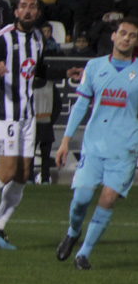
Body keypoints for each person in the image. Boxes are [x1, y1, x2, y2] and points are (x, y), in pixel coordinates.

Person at [0, 0, 83, 250]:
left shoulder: (38, 38)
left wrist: (65, 73)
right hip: (6, 113)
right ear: (15, 12)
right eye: (23, 7)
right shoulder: (4, 37)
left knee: (24, 174)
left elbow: (38, 71)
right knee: (7, 172)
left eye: (32, 7)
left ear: (38, 13)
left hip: (28, 115)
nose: (27, 11)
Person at [54, 17, 138, 270]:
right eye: (122, 33)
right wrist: (65, 140)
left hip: (125, 149)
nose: (126, 38)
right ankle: (73, 231)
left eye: (132, 35)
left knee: (108, 199)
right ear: (113, 36)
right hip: (94, 146)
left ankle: (84, 253)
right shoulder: (94, 66)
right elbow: (81, 105)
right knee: (80, 199)